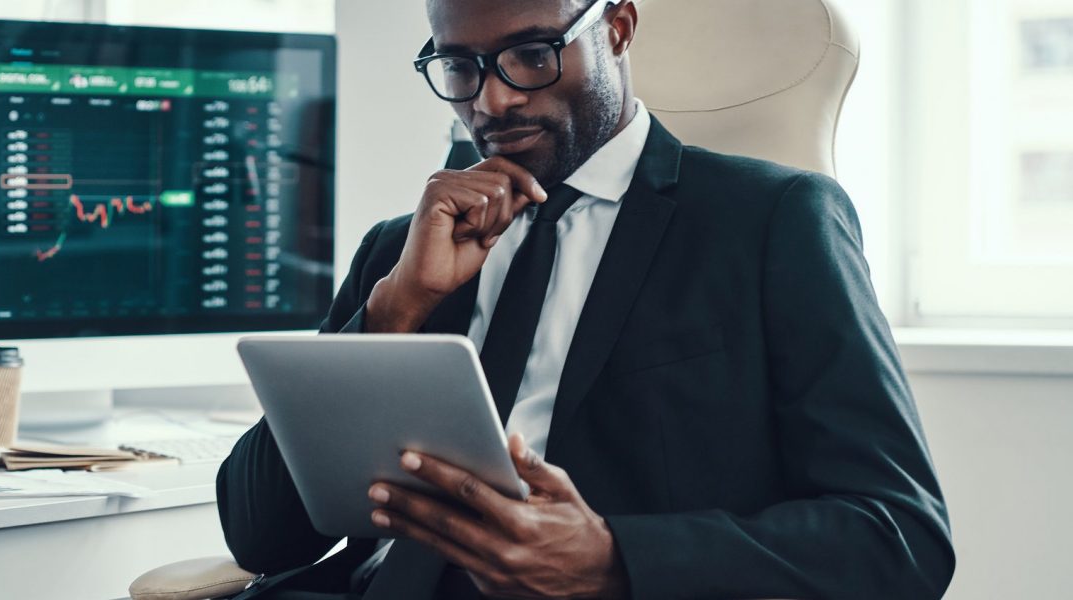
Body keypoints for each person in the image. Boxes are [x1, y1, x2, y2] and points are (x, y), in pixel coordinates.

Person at [218, 0, 955, 597]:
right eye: (460, 66)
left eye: (534, 54)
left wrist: (612, 558)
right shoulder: (405, 249)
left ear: (618, 27)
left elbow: (899, 536)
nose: (495, 99)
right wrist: (392, 310)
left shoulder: (771, 221)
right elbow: (260, 534)